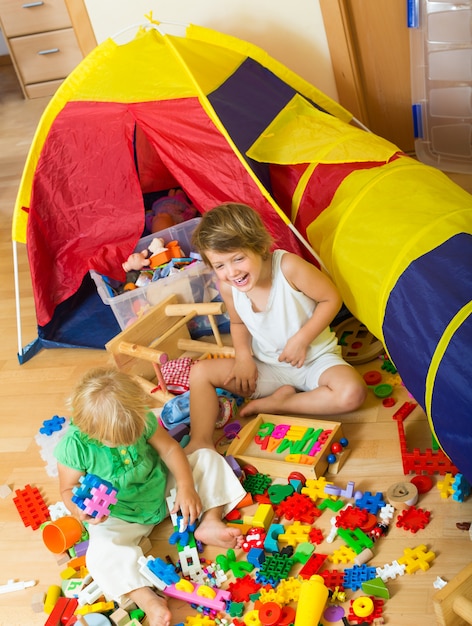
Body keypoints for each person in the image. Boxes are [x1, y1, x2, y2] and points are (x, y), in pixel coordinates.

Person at [54, 367, 246, 626]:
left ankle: (210, 521)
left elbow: (169, 450)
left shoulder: (141, 417)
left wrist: (186, 485)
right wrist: (80, 511)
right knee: (100, 555)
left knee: (207, 458)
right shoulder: (74, 446)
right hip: (121, 515)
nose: (125, 444)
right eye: (116, 441)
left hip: (162, 491)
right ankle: (149, 601)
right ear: (90, 431)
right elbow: (68, 489)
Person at [185, 202, 367, 454]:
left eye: (238, 258)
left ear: (259, 247)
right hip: (268, 367)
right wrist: (243, 359)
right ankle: (200, 442)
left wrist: (303, 339)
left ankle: (283, 403)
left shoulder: (288, 268)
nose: (232, 272)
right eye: (220, 265)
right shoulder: (227, 286)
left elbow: (331, 298)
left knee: (352, 393)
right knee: (200, 372)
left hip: (316, 361)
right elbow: (237, 322)